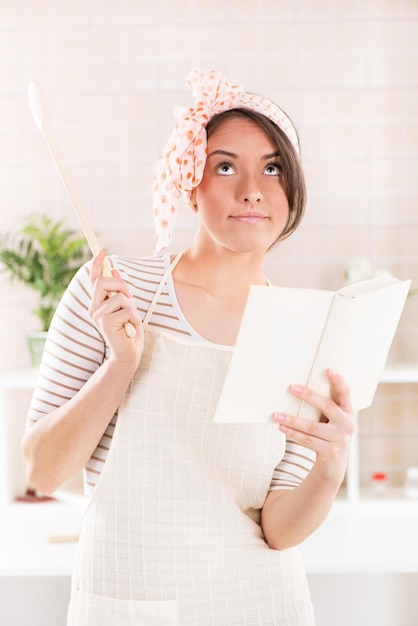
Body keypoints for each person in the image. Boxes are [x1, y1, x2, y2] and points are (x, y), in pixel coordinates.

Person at [22, 69, 355, 625]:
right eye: (225, 166)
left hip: (261, 605)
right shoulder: (112, 289)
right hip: (129, 604)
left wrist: (329, 468)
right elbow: (44, 471)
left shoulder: (309, 330)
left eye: (273, 169)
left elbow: (279, 529)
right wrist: (120, 364)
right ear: (188, 180)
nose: (252, 188)